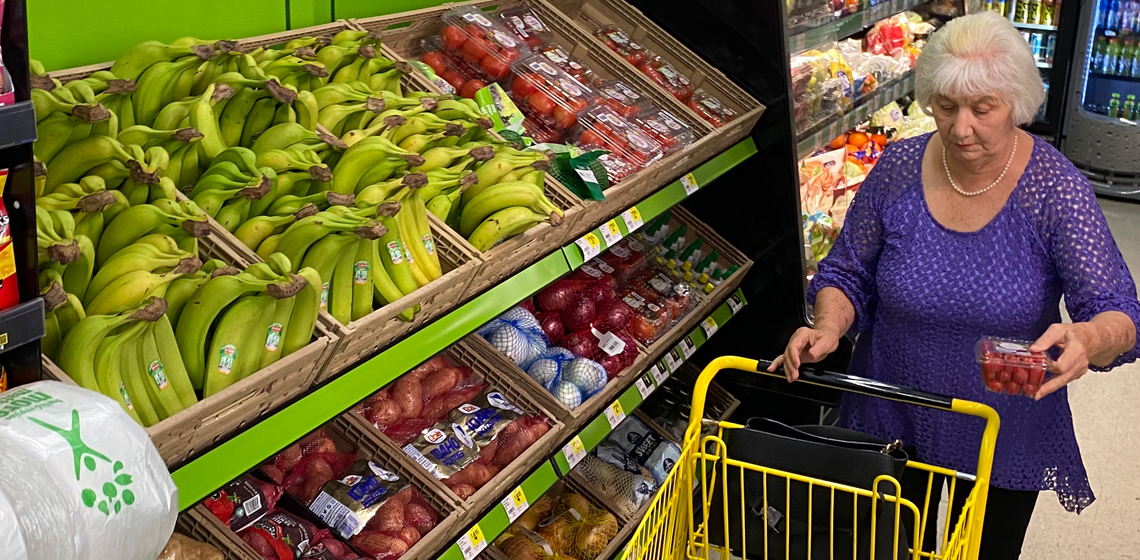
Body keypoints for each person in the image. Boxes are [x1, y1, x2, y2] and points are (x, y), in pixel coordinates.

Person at [769, 12, 1140, 560]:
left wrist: (1090, 337)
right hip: (893, 409)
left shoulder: (1055, 190)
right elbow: (847, 271)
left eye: (981, 109)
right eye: (945, 107)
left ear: (1015, 100)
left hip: (1002, 422)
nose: (961, 127)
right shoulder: (897, 169)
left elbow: (1119, 311)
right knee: (882, 549)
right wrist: (828, 324)